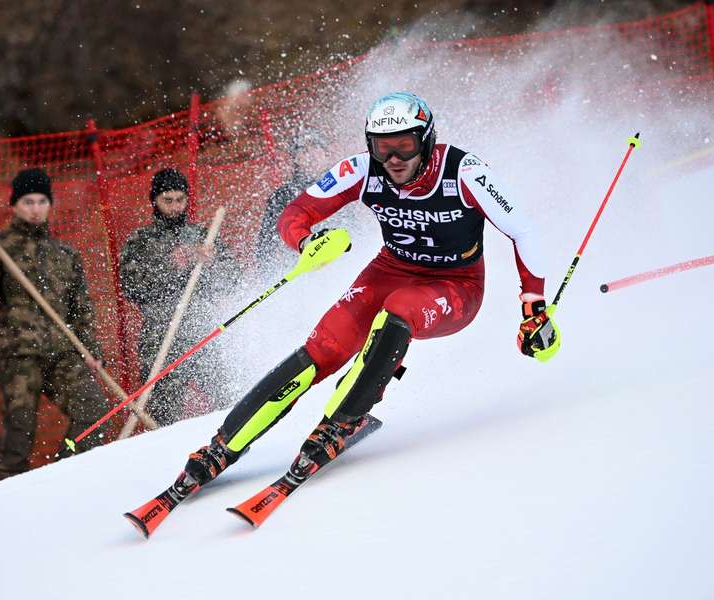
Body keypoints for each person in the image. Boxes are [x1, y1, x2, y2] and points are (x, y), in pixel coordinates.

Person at [170, 91, 560, 493]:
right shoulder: (362, 169)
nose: (393, 158)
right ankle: (222, 446)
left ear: (425, 139)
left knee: (399, 311)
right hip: (391, 270)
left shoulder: (465, 172)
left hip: (454, 286)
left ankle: (342, 421)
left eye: (404, 145)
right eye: (382, 147)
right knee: (324, 345)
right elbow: (296, 212)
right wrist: (306, 242)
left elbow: (522, 230)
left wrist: (534, 305)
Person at [0, 167, 109, 481]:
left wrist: (92, 351)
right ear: (15, 204)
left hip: (61, 351)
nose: (35, 209)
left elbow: (81, 310)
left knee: (95, 412)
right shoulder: (1, 248)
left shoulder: (65, 254)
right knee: (20, 428)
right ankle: (5, 493)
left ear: (50, 204)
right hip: (18, 352)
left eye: (42, 201)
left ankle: (62, 475)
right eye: (28, 201)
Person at [120, 168, 239, 426]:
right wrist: (170, 265)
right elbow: (131, 287)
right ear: (155, 201)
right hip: (160, 337)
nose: (175, 207)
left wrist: (213, 262)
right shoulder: (140, 241)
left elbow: (232, 279)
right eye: (168, 200)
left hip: (203, 332)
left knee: (229, 399)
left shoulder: (203, 235)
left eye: (180, 200)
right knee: (164, 415)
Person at [255, 128, 329, 269]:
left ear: (326, 156)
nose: (311, 155)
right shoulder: (282, 196)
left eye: (316, 148)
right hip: (301, 270)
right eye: (304, 150)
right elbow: (265, 247)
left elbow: (355, 231)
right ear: (296, 159)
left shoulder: (340, 188)